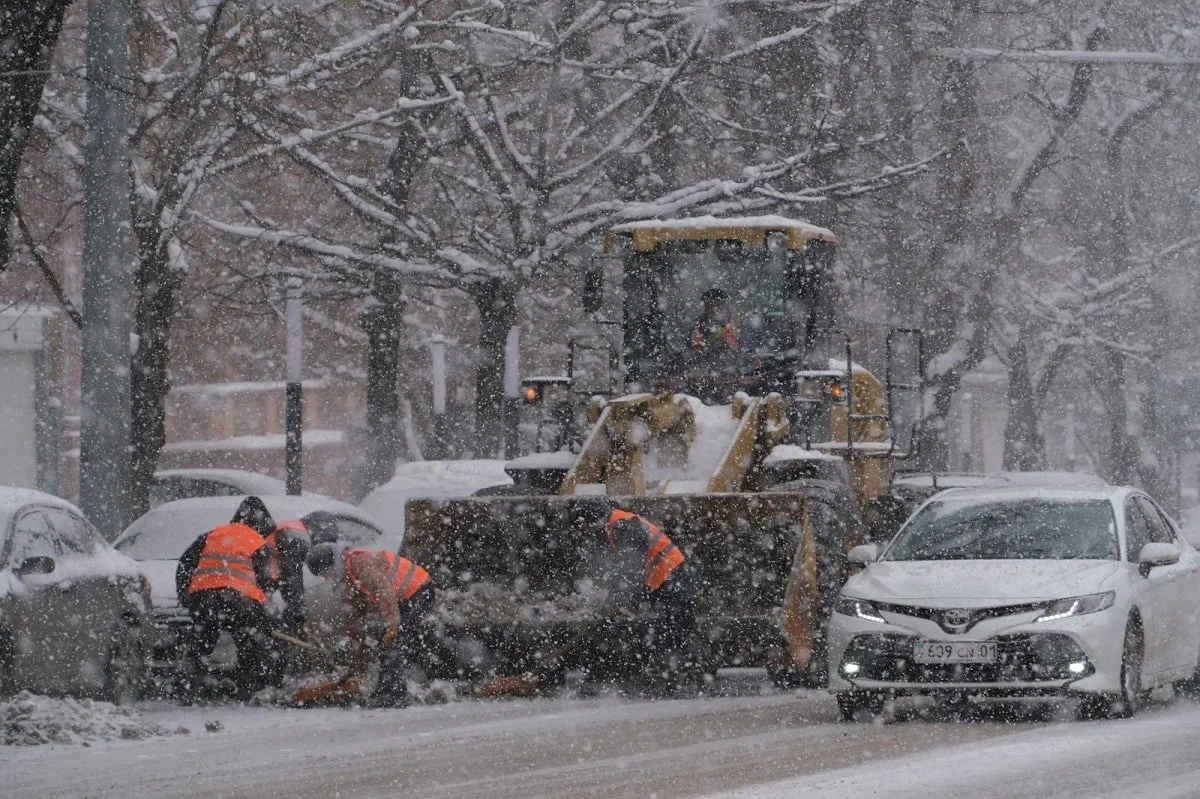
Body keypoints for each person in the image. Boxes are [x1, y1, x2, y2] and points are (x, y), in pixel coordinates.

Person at [551, 499, 706, 697]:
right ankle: (688, 677)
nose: (586, 532)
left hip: (673, 579)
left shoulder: (623, 525)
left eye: (585, 527)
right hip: (666, 581)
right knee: (673, 630)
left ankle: (690, 679)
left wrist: (618, 598)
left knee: (674, 632)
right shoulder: (615, 526)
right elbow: (624, 570)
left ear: (592, 521)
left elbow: (631, 569)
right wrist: (613, 598)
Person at [175, 496, 282, 699]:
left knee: (203, 638)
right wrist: (267, 611)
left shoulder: (212, 534)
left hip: (203, 598)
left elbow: (185, 564)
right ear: (261, 523)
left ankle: (189, 686)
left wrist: (186, 595)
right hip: (238, 600)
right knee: (249, 638)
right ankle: (250, 686)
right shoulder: (257, 541)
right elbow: (267, 582)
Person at [306, 543, 435, 708]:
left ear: (331, 564)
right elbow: (355, 623)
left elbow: (384, 593)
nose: (327, 578)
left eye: (325, 573)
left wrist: (392, 627)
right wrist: (355, 666)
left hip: (418, 591)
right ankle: (386, 690)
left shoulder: (359, 563)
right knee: (390, 645)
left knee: (395, 644)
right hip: (402, 601)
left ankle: (394, 695)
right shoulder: (347, 581)